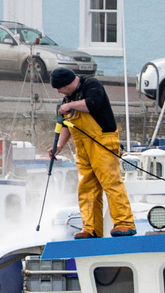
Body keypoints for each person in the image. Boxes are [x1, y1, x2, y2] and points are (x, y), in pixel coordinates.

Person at [50, 67, 136, 238]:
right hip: (82, 146)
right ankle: (91, 228)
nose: (58, 91)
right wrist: (59, 145)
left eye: (59, 88)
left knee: (111, 182)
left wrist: (70, 105)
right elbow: (67, 124)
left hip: (102, 142)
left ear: (67, 83)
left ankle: (124, 223)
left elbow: (92, 104)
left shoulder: (92, 85)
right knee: (86, 187)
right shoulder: (68, 97)